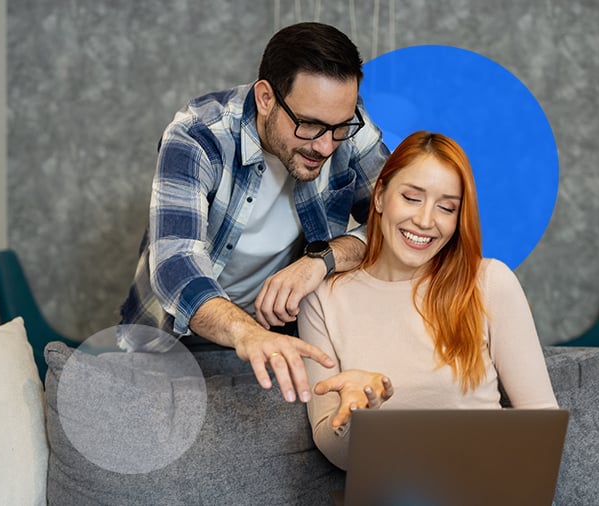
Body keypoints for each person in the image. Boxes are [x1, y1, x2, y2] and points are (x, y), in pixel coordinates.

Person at [119, 22, 390, 404]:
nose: (327, 145)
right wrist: (248, 334)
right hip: (175, 342)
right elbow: (175, 265)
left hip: (286, 338)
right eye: (309, 125)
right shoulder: (198, 135)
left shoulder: (345, 124)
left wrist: (323, 259)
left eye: (339, 127)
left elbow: (395, 225)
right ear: (266, 98)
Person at [298, 131, 558, 469]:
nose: (425, 221)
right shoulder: (321, 299)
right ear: (379, 197)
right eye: (411, 198)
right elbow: (334, 450)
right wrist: (357, 414)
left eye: (446, 207)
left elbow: (543, 426)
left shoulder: (490, 282)